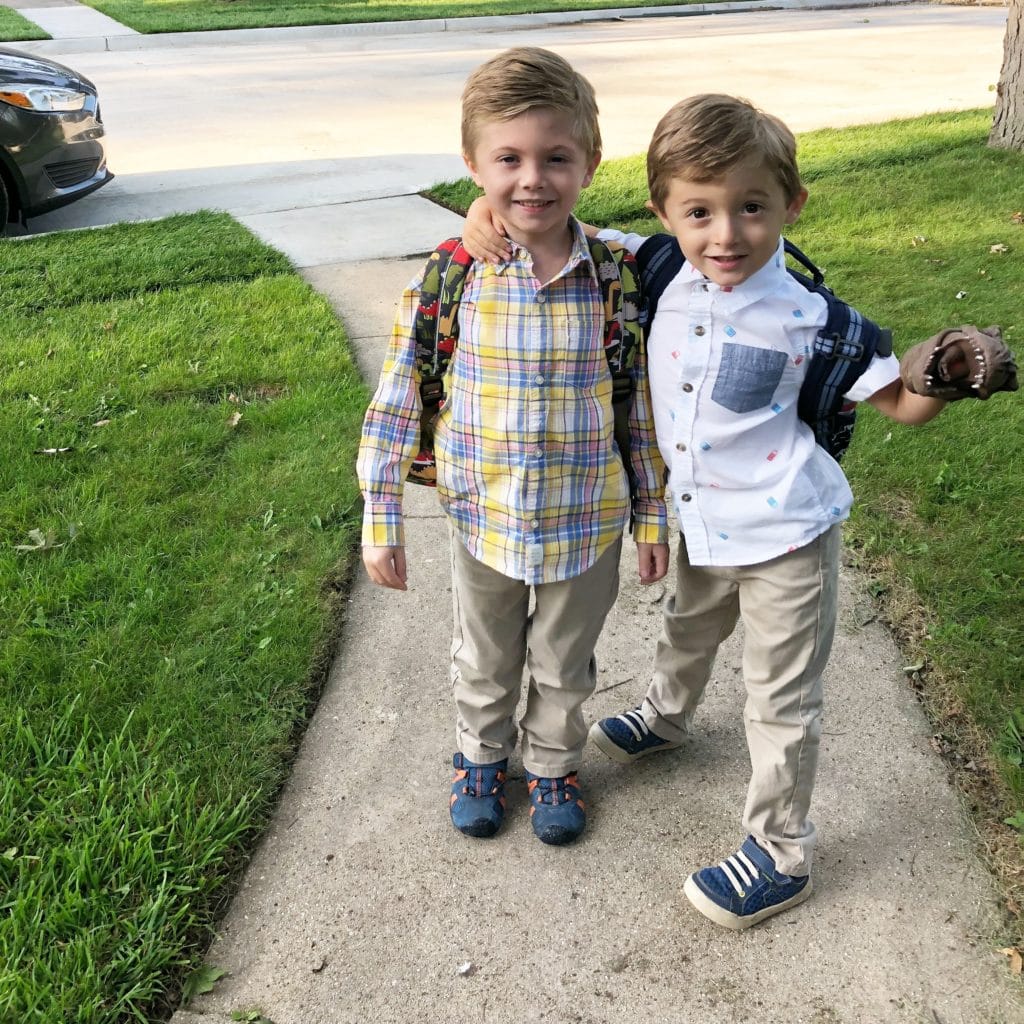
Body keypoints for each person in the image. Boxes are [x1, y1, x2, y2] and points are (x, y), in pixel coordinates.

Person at [462, 93, 1014, 922]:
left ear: (790, 205)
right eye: (700, 211)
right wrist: (485, 210)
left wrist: (943, 368)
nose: (726, 235)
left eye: (751, 208)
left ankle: (782, 852)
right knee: (686, 627)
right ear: (664, 212)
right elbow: (547, 221)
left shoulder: (814, 320)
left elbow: (901, 399)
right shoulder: (651, 269)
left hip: (789, 535)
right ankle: (667, 717)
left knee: (780, 699)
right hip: (706, 526)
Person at [356, 47, 669, 847]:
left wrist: (652, 516)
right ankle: (480, 756)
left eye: (555, 158)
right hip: (483, 514)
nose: (532, 180)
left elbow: (635, 407)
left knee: (566, 663)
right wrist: (380, 515)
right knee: (483, 654)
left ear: (591, 162)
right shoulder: (452, 273)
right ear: (473, 165)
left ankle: (554, 764)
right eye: (509, 160)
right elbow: (397, 396)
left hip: (586, 519)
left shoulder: (619, 274)